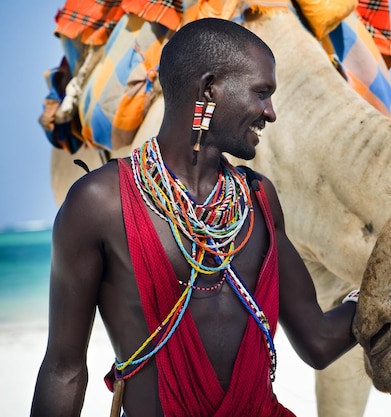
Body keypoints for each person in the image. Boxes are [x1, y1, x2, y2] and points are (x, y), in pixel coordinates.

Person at [30, 17, 358, 417]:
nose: (270, 113)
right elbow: (64, 370)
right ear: (208, 89)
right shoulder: (100, 204)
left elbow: (319, 341)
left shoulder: (258, 200)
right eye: (261, 93)